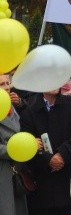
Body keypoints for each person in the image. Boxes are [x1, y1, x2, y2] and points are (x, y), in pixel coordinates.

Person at [20, 86, 71, 215]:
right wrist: (48, 159)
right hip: (46, 189)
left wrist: (63, 153)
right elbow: (27, 145)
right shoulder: (29, 113)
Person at [0, 74, 28, 215]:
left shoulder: (11, 105)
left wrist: (21, 105)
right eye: (1, 85)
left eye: (7, 83)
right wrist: (18, 148)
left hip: (17, 169)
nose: (6, 88)